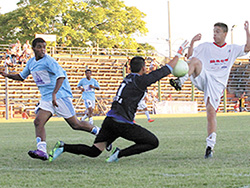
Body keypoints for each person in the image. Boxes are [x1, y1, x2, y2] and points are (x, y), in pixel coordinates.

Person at [48, 41, 189, 163]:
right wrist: (179, 53)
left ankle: (63, 147)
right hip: (122, 123)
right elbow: (166, 70)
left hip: (110, 120)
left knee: (95, 151)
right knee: (153, 142)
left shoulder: (127, 78)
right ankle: (119, 153)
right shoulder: (140, 81)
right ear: (143, 68)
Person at [0, 38, 100, 161]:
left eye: (44, 47)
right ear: (33, 48)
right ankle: (42, 151)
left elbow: (61, 76)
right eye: (40, 47)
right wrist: (6, 75)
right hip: (47, 98)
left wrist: (54, 94)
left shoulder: (49, 61)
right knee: (38, 122)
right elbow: (21, 77)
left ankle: (100, 134)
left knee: (76, 124)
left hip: (60, 97)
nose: (43, 49)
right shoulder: (31, 62)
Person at [170, 21, 250, 158]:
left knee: (211, 113)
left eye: (218, 31)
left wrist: (247, 31)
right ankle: (180, 81)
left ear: (225, 33)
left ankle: (210, 147)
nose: (214, 34)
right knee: (195, 61)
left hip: (218, 84)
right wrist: (193, 43)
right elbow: (189, 57)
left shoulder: (231, 48)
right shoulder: (206, 46)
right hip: (204, 76)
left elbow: (248, 48)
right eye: (213, 31)